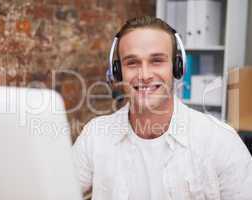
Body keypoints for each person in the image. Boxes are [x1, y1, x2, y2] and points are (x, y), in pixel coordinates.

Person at [72, 16, 252, 200]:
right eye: (132, 63)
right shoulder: (94, 136)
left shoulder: (221, 142)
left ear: (177, 67)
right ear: (118, 72)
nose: (145, 75)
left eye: (157, 60)